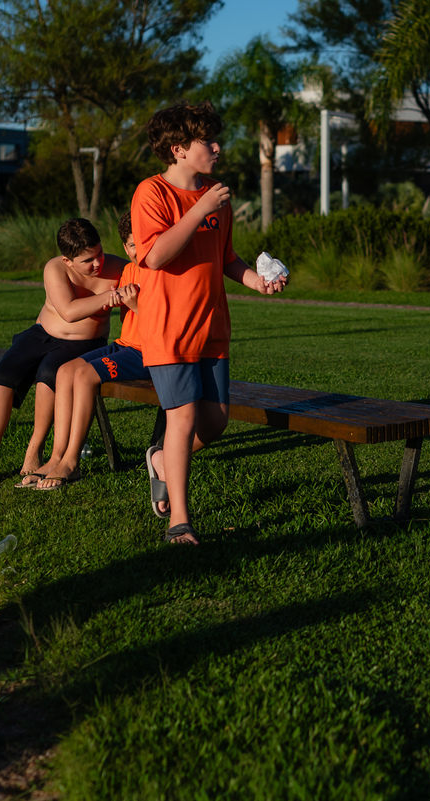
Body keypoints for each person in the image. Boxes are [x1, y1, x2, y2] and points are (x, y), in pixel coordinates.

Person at [131, 100, 286, 545]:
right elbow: (154, 256)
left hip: (212, 327)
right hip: (170, 328)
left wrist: (256, 281)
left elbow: (226, 257)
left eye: (216, 139)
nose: (217, 148)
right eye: (207, 141)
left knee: (215, 421)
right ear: (178, 149)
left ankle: (161, 460)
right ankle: (179, 521)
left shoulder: (215, 192)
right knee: (181, 417)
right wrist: (198, 210)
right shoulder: (151, 193)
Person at [0, 218, 127, 485]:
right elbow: (68, 311)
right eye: (88, 260)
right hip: (42, 334)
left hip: (85, 342)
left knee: (49, 374)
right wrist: (108, 297)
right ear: (68, 261)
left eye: (100, 253)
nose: (97, 263)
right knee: (2, 378)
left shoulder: (119, 268)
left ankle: (34, 451)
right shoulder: (55, 268)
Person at [28, 211, 152, 491]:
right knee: (65, 371)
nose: (139, 250)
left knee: (84, 376)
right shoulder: (128, 271)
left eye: (146, 242)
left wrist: (135, 306)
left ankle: (72, 463)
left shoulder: (163, 273)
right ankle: (57, 457)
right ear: (125, 247)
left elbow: (168, 325)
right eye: (133, 245)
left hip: (150, 352)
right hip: (126, 344)